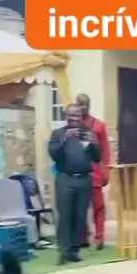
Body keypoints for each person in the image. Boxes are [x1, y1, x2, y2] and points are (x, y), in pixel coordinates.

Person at [48, 103, 101, 265]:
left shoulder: (88, 132)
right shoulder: (58, 133)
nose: (74, 119)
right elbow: (53, 154)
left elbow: (97, 157)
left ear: (81, 116)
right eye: (71, 115)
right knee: (65, 216)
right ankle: (64, 251)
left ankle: (74, 250)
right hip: (65, 179)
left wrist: (93, 143)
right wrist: (65, 140)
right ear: (66, 117)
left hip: (84, 180)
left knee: (80, 217)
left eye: (77, 115)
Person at [76, 93, 111, 250]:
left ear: (89, 105)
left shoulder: (99, 125)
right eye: (80, 104)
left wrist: (106, 170)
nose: (83, 107)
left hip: (95, 172)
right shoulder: (73, 126)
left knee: (99, 206)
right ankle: (83, 237)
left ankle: (100, 237)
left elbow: (106, 150)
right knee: (80, 207)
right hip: (78, 172)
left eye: (85, 104)